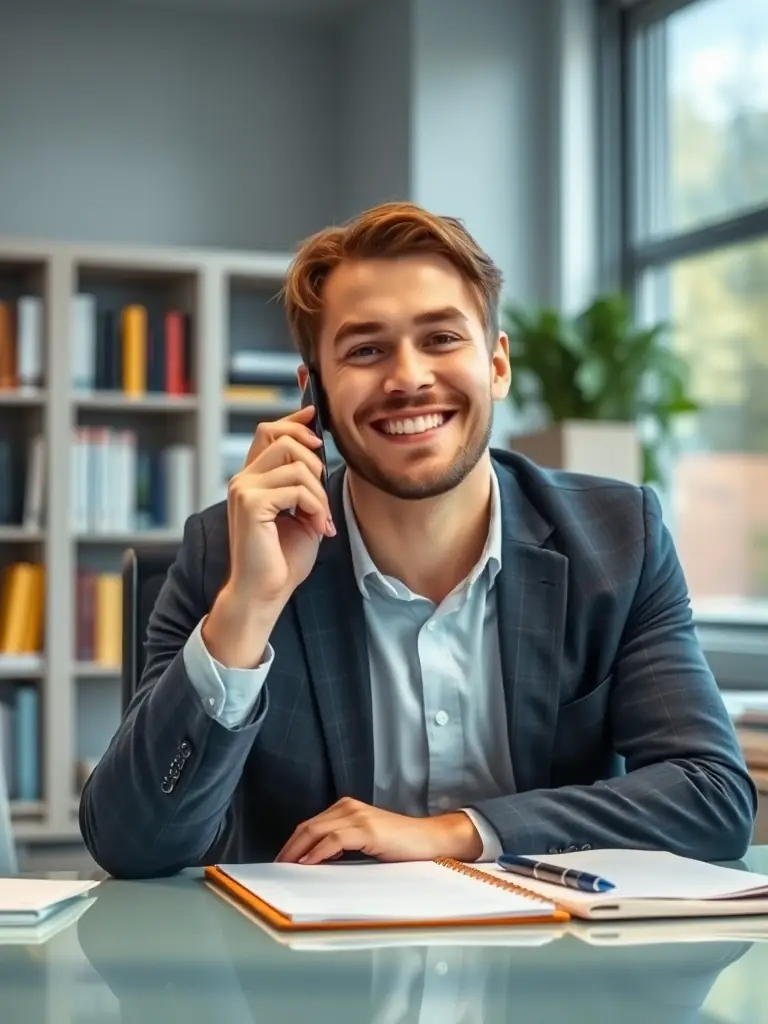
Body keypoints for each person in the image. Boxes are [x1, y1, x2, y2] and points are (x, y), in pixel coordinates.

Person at [79, 201, 757, 879]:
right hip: (308, 976)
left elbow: (711, 800)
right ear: (313, 391)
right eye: (366, 350)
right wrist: (249, 608)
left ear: (496, 366)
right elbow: (134, 846)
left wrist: (457, 833)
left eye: (440, 339)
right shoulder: (228, 554)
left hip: (554, 968)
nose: (407, 378)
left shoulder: (616, 542)